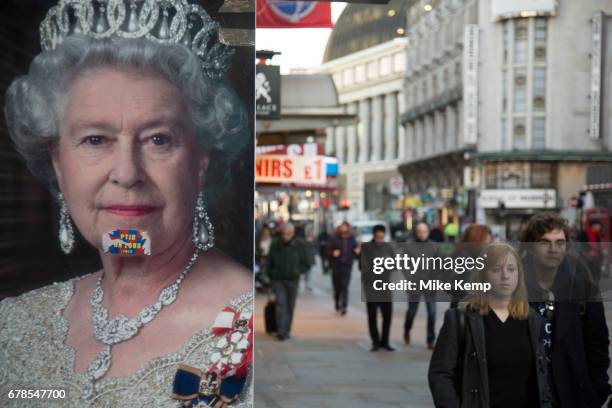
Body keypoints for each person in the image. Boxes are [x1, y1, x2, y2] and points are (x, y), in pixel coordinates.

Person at [0, 1, 253, 406]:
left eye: (158, 139)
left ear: (201, 161)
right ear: (58, 163)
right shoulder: (13, 326)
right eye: (95, 140)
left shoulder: (249, 330)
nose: (127, 172)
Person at [429, 243, 552, 408]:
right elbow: (440, 374)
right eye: (496, 269)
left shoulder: (532, 320)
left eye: (511, 269)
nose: (505, 276)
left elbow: (541, 376)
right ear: (483, 276)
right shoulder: (460, 320)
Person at [520, 212, 610, 407]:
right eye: (544, 242)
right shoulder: (513, 285)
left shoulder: (583, 286)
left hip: (571, 393)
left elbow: (598, 343)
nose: (553, 249)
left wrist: (597, 390)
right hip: (525, 393)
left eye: (559, 242)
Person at [266, 223, 310, 340]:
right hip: (278, 279)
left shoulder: (299, 244)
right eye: (284, 234)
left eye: (288, 234)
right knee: (281, 304)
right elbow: (269, 261)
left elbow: (307, 263)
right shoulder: (275, 243)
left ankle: (287, 329)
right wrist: (270, 275)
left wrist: (297, 271)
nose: (286, 236)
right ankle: (281, 331)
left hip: (293, 280)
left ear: (293, 233)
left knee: (290, 306)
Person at [403, 222, 437, 349]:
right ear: (415, 233)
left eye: (424, 231)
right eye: (419, 232)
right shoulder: (409, 245)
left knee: (432, 312)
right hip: (414, 283)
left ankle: (430, 339)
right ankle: (407, 329)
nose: (422, 234)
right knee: (412, 311)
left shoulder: (434, 246)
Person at [361, 224, 395, 351]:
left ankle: (385, 341)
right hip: (371, 286)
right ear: (374, 236)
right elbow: (363, 267)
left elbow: (394, 265)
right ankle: (375, 341)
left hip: (385, 286)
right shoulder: (367, 248)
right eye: (378, 237)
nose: (380, 239)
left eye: (382, 237)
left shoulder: (388, 247)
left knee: (387, 315)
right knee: (372, 316)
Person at [449, 224, 493, 308]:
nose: (489, 242)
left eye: (489, 239)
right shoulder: (463, 257)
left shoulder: (484, 256)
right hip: (465, 307)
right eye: (486, 239)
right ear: (477, 239)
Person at [330, 221, 360, 315]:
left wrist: (357, 251)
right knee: (337, 288)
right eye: (342, 227)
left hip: (347, 266)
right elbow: (328, 250)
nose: (343, 229)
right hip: (336, 266)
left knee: (345, 286)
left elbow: (356, 251)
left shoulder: (352, 239)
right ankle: (337, 303)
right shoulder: (335, 239)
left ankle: (344, 306)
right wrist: (332, 253)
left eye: (345, 227)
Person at [303, 226, 318, 291]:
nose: (311, 232)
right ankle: (307, 283)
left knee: (311, 273)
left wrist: (315, 252)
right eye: (310, 231)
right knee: (306, 273)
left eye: (312, 231)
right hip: (305, 258)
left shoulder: (315, 239)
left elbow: (317, 247)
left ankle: (309, 285)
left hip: (312, 258)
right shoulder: (304, 239)